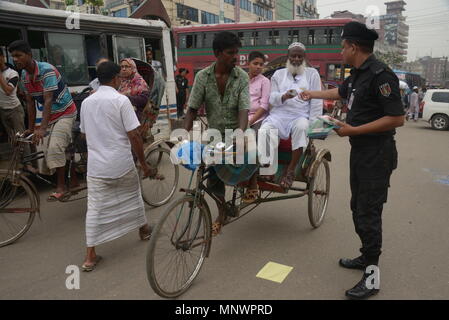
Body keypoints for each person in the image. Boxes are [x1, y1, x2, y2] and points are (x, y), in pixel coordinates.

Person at [301, 21, 405, 299]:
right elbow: (339, 92)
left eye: (343, 46)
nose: (340, 50)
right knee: (357, 207)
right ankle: (365, 256)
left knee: (369, 212)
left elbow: (397, 117)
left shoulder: (382, 75)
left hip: (377, 154)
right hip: (361, 152)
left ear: (353, 47)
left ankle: (372, 277)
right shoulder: (358, 74)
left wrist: (354, 130)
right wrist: (312, 93)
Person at [79, 61, 153, 271]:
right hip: (121, 162)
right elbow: (135, 135)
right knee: (133, 194)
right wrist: (144, 164)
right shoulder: (121, 101)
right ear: (115, 79)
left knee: (94, 208)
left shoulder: (86, 102)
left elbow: (84, 134)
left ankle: (90, 256)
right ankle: (144, 229)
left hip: (96, 167)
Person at [184, 31, 250, 236]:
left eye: (237, 52)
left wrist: (240, 133)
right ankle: (222, 212)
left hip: (236, 130)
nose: (236, 57)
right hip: (214, 134)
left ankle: (249, 184)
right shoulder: (203, 77)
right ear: (218, 53)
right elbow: (192, 108)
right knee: (212, 175)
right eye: (231, 53)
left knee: (249, 156)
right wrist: (182, 135)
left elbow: (244, 109)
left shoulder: (242, 76)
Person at [9, 40, 79, 201]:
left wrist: (42, 128)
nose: (15, 59)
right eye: (13, 56)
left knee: (55, 147)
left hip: (66, 113)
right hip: (52, 117)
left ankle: (61, 187)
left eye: (18, 55)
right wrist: (31, 127)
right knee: (47, 149)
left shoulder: (46, 70)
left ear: (29, 55)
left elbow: (47, 100)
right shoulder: (25, 76)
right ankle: (73, 180)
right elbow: (30, 102)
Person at [259, 42, 322, 190]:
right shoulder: (278, 75)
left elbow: (317, 101)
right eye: (293, 56)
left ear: (304, 58)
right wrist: (284, 96)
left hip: (300, 115)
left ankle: (291, 170)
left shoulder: (312, 74)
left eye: (300, 56)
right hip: (279, 115)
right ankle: (268, 165)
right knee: (265, 130)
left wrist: (315, 125)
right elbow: (272, 98)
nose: (296, 59)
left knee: (301, 127)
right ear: (288, 57)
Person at [242, 51, 271, 203]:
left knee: (251, 142)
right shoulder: (241, 79)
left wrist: (250, 121)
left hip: (259, 118)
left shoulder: (265, 81)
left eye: (261, 64)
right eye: (255, 63)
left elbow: (264, 106)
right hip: (241, 117)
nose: (258, 67)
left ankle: (253, 183)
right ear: (249, 63)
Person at [0, 47, 31, 159]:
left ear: (2, 57)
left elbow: (8, 91)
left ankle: (28, 163)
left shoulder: (13, 73)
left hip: (15, 109)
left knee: (21, 137)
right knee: (12, 138)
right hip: (3, 109)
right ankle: (18, 162)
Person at [118, 58, 150, 122]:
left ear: (133, 68)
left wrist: (126, 98)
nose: (124, 69)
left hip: (136, 117)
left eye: (126, 66)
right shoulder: (120, 81)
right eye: (122, 67)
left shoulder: (139, 81)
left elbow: (144, 100)